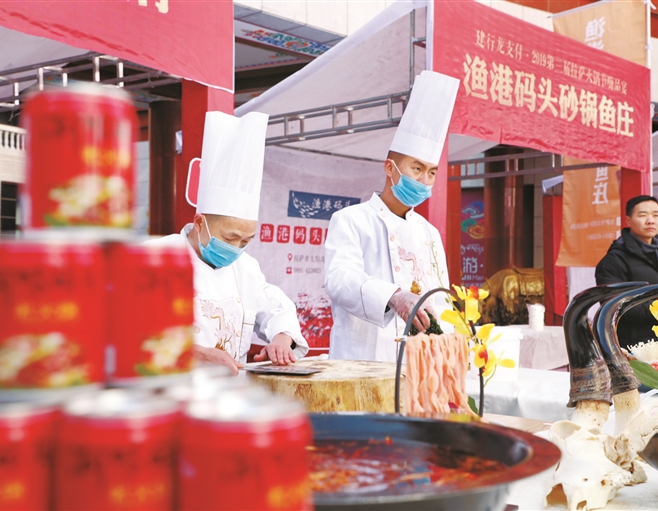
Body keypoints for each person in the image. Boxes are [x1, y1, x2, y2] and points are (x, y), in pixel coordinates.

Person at [149, 111, 308, 375]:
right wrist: (196, 353)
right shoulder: (154, 257)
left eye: (245, 240)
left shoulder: (246, 268)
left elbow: (278, 307)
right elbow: (122, 328)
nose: (235, 248)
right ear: (199, 222)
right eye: (229, 238)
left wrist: (281, 339)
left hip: (230, 392)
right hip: (171, 390)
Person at [324, 71, 459, 362]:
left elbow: (441, 301)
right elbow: (340, 280)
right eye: (416, 168)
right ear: (390, 168)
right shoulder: (351, 220)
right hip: (362, 362)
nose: (424, 180)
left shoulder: (429, 233)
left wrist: (450, 348)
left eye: (431, 172)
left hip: (420, 363)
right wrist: (394, 296)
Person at [595, 195, 658, 350]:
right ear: (628, 220)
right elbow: (615, 307)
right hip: (631, 348)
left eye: (656, 215)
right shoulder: (613, 261)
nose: (650, 220)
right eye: (642, 215)